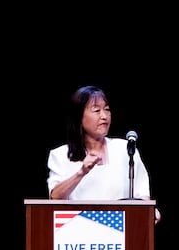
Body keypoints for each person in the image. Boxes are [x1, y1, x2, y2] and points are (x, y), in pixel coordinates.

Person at [47, 85, 160, 224]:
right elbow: (55, 198)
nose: (104, 116)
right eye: (96, 110)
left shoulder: (125, 149)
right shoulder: (60, 155)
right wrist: (81, 172)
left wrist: (148, 210)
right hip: (77, 232)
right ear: (79, 117)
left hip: (121, 232)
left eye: (107, 109)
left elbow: (141, 192)